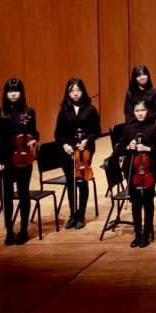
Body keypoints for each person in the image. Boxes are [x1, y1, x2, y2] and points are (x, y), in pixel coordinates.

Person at [0, 78, 39, 245]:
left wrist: (34, 141)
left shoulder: (29, 112)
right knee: (6, 196)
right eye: (10, 91)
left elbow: (34, 133)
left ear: (21, 93)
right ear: (6, 93)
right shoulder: (0, 114)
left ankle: (24, 230)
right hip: (5, 160)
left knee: (24, 194)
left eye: (16, 91)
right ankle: (9, 230)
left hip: (23, 159)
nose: (13, 94)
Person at [114, 99, 156, 248]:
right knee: (136, 203)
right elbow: (118, 150)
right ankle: (137, 234)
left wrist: (147, 149)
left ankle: (146, 234)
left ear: (147, 111)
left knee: (148, 202)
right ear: (133, 112)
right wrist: (128, 147)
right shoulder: (128, 128)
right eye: (137, 111)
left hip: (150, 171)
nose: (140, 113)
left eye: (142, 110)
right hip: (132, 170)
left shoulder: (154, 129)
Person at [54, 78, 100, 229]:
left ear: (83, 91)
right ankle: (73, 214)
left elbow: (97, 130)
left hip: (85, 150)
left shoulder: (90, 109)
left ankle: (81, 214)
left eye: (78, 90)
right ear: (68, 93)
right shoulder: (63, 111)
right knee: (71, 182)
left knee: (82, 180)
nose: (75, 94)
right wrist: (65, 145)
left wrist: (86, 140)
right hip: (68, 151)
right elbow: (57, 134)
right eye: (72, 91)